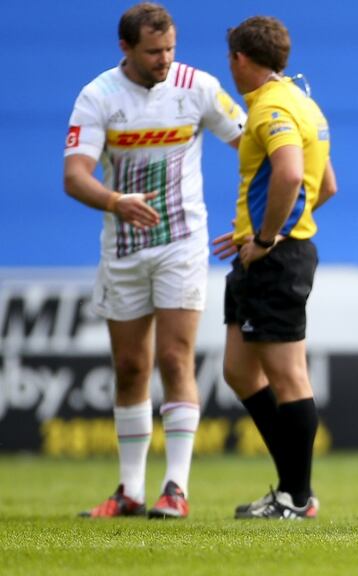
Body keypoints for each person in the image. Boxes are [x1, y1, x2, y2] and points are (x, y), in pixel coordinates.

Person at [64, 2, 245, 519]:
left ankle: (175, 488)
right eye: (153, 51)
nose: (164, 59)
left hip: (182, 244)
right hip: (122, 247)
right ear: (126, 48)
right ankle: (129, 491)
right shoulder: (98, 96)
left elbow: (250, 144)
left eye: (170, 48)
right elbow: (75, 175)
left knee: (174, 358)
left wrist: (257, 216)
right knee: (129, 367)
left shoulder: (197, 87)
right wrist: (116, 201)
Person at [211, 15, 337, 520]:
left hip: (274, 259)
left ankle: (296, 497)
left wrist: (267, 238)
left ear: (240, 59)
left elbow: (289, 172)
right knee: (239, 371)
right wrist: (265, 230)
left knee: (288, 377)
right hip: (265, 252)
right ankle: (291, 488)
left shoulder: (271, 108)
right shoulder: (303, 102)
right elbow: (324, 186)